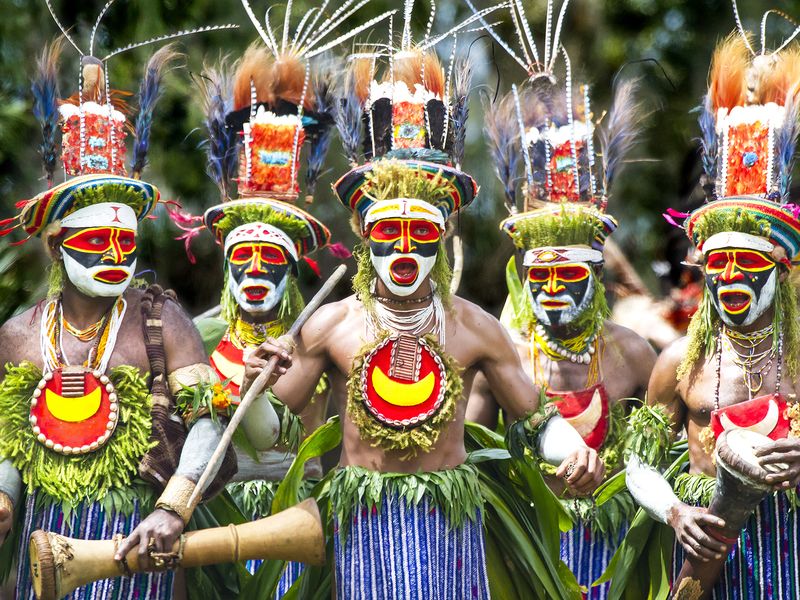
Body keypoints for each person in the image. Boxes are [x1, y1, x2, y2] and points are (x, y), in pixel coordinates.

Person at [240, 7, 605, 596]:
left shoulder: (476, 329)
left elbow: (536, 423)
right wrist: (254, 385)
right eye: (389, 233)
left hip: (451, 532)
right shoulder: (331, 326)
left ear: (445, 236)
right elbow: (266, 434)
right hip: (362, 529)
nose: (405, 247)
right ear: (364, 237)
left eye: (422, 233)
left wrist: (576, 451)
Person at [0, 18, 236, 599]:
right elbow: (8, 440)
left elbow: (208, 421)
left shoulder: (162, 320)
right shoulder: (18, 336)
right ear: (56, 244)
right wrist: (4, 497)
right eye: (94, 242)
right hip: (42, 542)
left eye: (125, 242)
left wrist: (174, 509)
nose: (114, 255)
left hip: (136, 542)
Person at [461, 4, 657, 597]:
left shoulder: (632, 354)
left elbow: (659, 461)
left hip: (608, 559)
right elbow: (471, 459)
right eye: (538, 275)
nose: (550, 291)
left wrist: (614, 479)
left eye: (567, 275)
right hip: (522, 556)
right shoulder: (501, 354)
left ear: (596, 276)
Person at [626, 8, 800, 598]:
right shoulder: (677, 363)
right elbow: (637, 464)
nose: (730, 279)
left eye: (747, 263)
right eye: (717, 264)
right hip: (709, 570)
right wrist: (675, 512)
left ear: (781, 266)